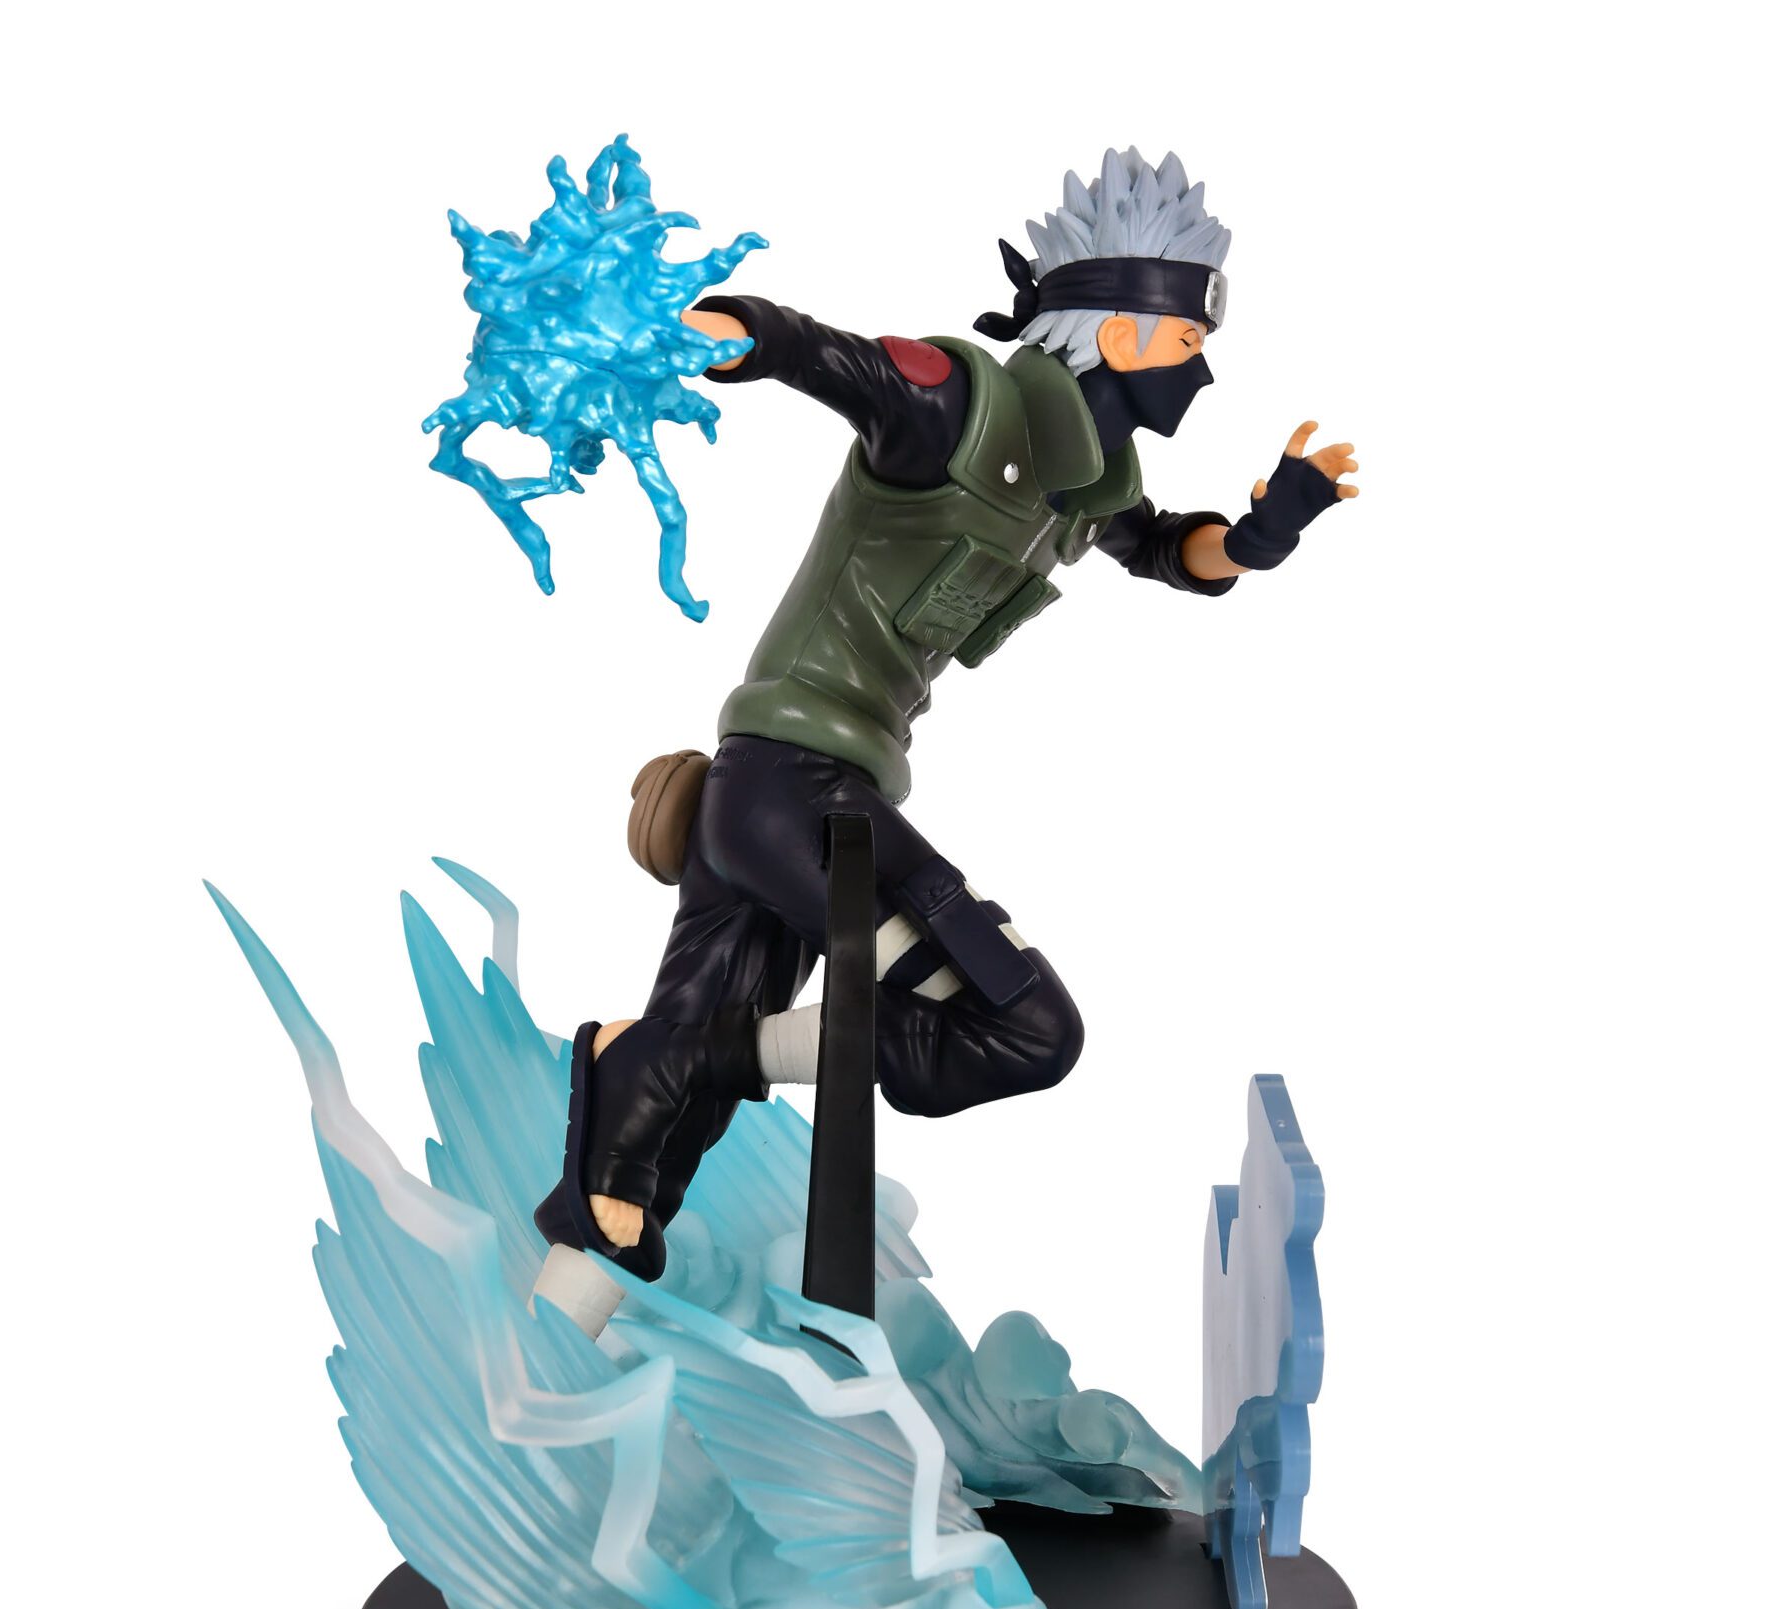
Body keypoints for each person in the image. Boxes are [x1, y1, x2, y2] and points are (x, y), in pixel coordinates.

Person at [533, 148, 1359, 1334]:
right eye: (1186, 338)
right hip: (798, 791)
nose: (1202, 368)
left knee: (661, 1140)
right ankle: (660, 1060)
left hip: (782, 795)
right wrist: (711, 334)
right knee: (1026, 1028)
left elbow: (1172, 549)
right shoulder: (964, 406)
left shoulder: (1086, 480)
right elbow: (829, 357)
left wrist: (1268, 531)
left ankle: (540, 1356)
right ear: (1118, 330)